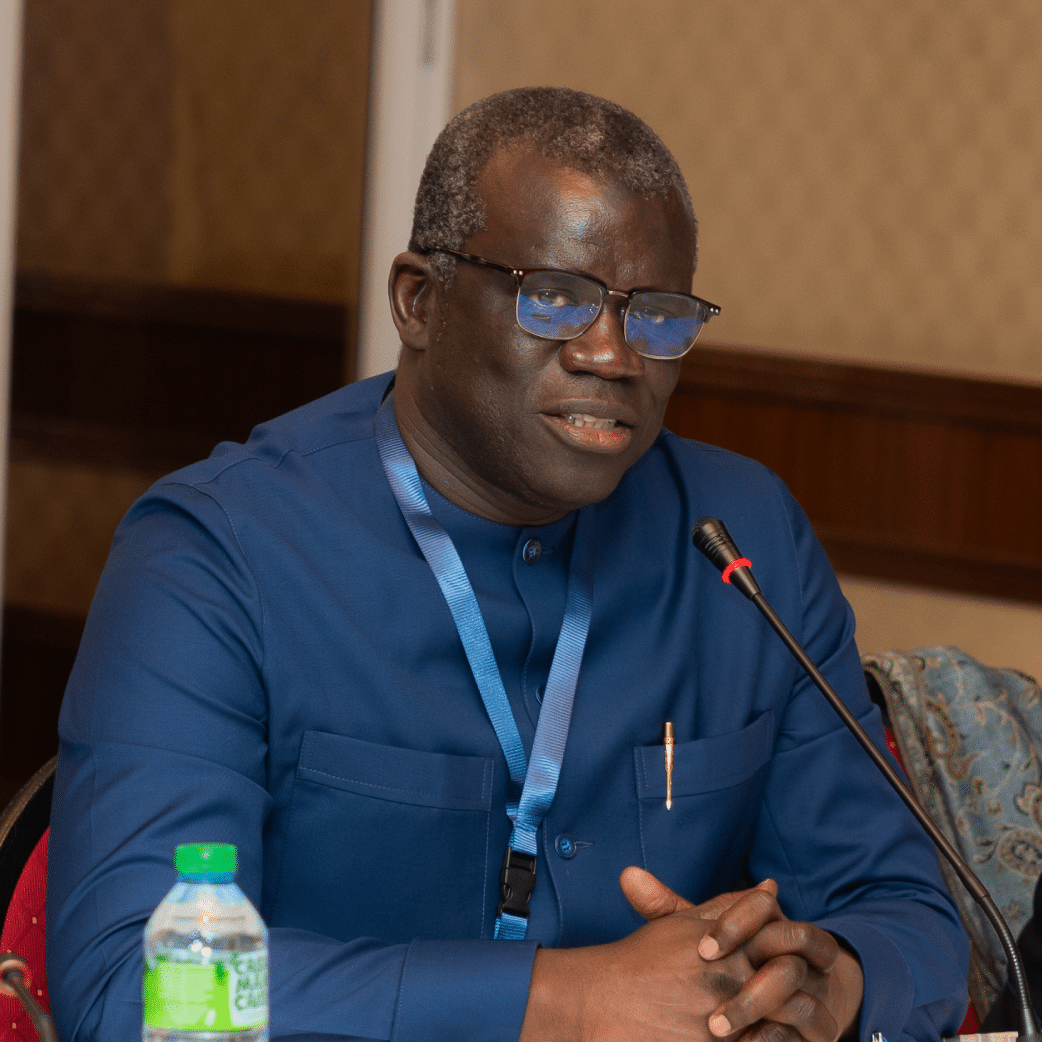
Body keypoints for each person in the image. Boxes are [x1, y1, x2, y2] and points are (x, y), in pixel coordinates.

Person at [47, 86, 968, 1042]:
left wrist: (824, 990)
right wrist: (570, 1002)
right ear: (419, 300)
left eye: (655, 315)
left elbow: (906, 913)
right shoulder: (214, 559)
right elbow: (133, 984)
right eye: (556, 298)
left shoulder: (744, 540)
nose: (613, 355)